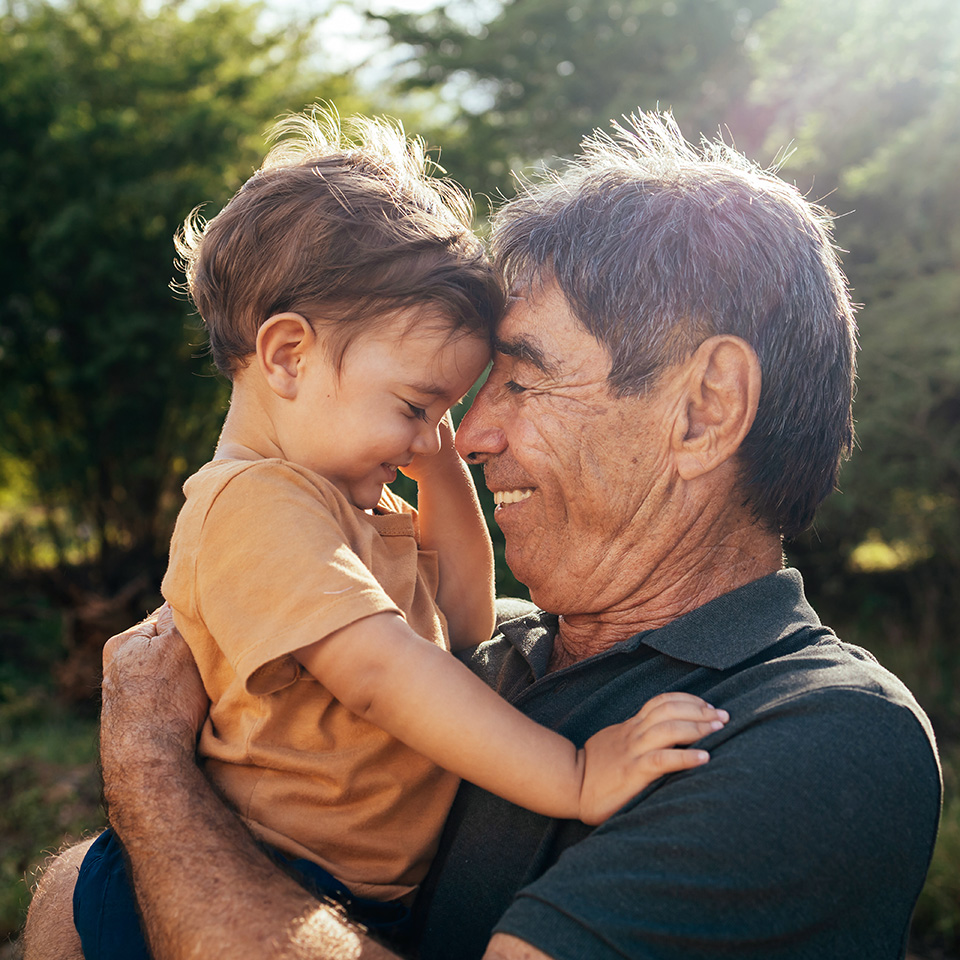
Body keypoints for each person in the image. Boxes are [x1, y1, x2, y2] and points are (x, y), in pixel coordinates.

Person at [23, 110, 941, 960]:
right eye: (443, 398)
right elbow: (72, 900)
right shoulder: (488, 648)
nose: (465, 433)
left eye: (521, 381)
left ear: (704, 410)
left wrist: (147, 774)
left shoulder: (822, 732)